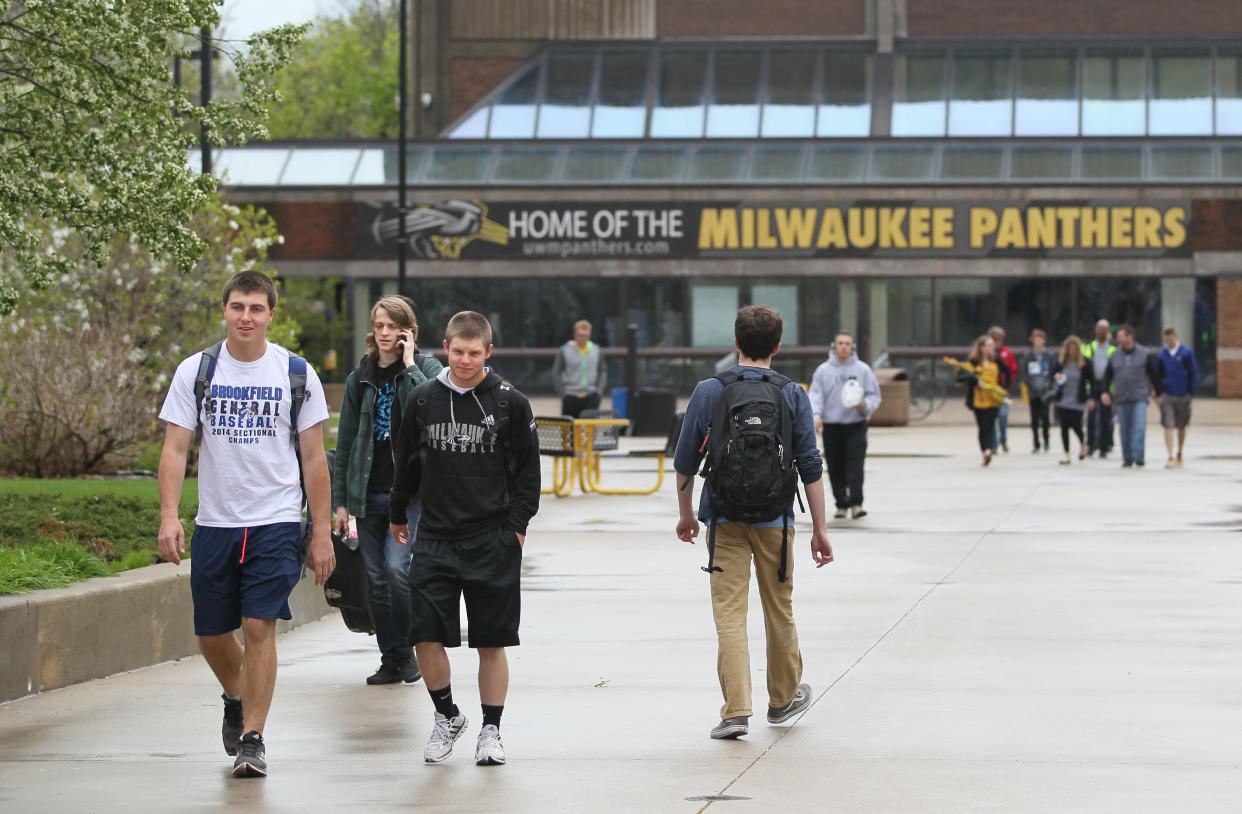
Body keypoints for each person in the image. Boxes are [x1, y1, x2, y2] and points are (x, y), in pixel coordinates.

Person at [156, 271, 334, 778]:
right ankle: (236, 696)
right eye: (238, 307)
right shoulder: (197, 370)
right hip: (216, 522)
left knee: (259, 625)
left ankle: (253, 739)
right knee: (212, 635)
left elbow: (315, 459)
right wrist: (169, 516)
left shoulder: (296, 373)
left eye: (256, 309)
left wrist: (320, 532)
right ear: (225, 310)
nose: (246, 318)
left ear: (271, 315)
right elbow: (174, 449)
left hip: (276, 519)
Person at [673, 305, 834, 742]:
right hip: (776, 519)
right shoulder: (792, 393)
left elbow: (685, 462)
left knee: (729, 614)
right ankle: (782, 700)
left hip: (724, 518)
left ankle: (736, 710)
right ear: (777, 346)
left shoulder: (710, 390)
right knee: (779, 609)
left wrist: (687, 514)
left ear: (736, 343)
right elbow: (810, 466)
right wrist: (820, 529)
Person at [389, 311, 540, 767]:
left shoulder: (511, 404)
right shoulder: (421, 400)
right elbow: (406, 465)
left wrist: (515, 528)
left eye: (474, 353)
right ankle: (447, 715)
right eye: (457, 352)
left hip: (491, 538)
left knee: (491, 642)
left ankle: (491, 730)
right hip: (435, 538)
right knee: (426, 637)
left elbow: (528, 475)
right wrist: (398, 512)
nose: (465, 361)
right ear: (446, 348)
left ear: (488, 353)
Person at [332, 296, 442, 686]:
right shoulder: (358, 378)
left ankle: (413, 648)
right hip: (368, 493)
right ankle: (393, 659)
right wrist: (340, 502)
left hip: (409, 495)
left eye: (392, 326)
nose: (384, 333)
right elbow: (345, 444)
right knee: (375, 578)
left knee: (398, 570)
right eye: (379, 325)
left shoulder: (426, 369)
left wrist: (409, 364)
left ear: (407, 330)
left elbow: (432, 408)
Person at [808, 331, 881, 519]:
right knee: (835, 465)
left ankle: (856, 503)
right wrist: (816, 415)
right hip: (832, 425)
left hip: (856, 424)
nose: (843, 347)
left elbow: (874, 395)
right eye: (840, 343)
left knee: (855, 464)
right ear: (834, 346)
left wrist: (864, 406)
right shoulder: (823, 371)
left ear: (852, 347)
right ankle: (841, 503)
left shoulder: (863, 370)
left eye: (847, 343)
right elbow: (816, 395)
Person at [1101, 325, 1161, 468]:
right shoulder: (1114, 355)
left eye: (1121, 336)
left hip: (1139, 397)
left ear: (1130, 337)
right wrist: (1105, 392)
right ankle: (1127, 458)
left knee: (1139, 427)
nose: (1118, 339)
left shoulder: (1144, 354)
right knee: (1124, 429)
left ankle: (1138, 456)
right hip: (1121, 398)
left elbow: (1153, 375)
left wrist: (1158, 393)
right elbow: (1107, 376)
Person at [958, 335, 1009, 467]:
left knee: (990, 425)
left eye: (992, 345)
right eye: (989, 345)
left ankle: (988, 449)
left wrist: (1004, 388)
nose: (992, 348)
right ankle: (984, 451)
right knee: (982, 426)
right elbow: (960, 376)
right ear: (981, 347)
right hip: (978, 400)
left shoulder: (996, 360)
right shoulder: (973, 361)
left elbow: (1007, 372)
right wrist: (975, 379)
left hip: (993, 399)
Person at [1154, 326, 1198, 468]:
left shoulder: (1186, 353)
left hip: (1183, 395)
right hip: (1167, 395)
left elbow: (1193, 373)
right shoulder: (1162, 355)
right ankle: (1170, 455)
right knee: (1169, 425)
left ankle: (1179, 451)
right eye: (1166, 340)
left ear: (1175, 337)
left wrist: (1191, 392)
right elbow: (1157, 376)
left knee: (1181, 427)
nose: (1168, 342)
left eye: (1170, 339)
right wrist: (1158, 393)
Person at [551, 319, 607, 419]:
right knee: (569, 431)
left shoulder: (596, 350)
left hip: (591, 395)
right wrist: (562, 393)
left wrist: (599, 391)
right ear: (575, 335)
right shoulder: (565, 350)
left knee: (589, 431)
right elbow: (557, 371)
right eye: (580, 335)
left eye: (586, 335)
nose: (583, 338)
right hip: (570, 396)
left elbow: (602, 371)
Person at [1051, 335, 1093, 465]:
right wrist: (1056, 377)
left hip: (1078, 399)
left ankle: (1083, 443)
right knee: (1064, 426)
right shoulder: (1061, 362)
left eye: (1075, 349)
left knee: (1075, 423)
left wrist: (1091, 398)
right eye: (1070, 349)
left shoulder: (1085, 363)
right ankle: (1067, 454)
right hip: (1063, 398)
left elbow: (1092, 381)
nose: (1072, 351)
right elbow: (1052, 376)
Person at [1081, 319, 1116, 458]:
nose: (1101, 331)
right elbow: (1084, 369)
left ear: (1108, 331)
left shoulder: (1113, 349)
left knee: (1106, 418)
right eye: (1099, 329)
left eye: (1104, 329)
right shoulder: (1089, 347)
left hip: (1108, 386)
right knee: (1091, 417)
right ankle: (1091, 445)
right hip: (1093, 385)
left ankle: (1104, 446)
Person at [1020, 329, 1056, 454]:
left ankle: (1046, 440)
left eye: (1040, 339)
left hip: (1045, 391)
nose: (1038, 341)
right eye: (1036, 339)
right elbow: (1024, 373)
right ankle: (1036, 443)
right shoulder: (1028, 356)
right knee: (1034, 419)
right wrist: (1031, 386)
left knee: (1045, 418)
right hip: (1033, 392)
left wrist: (1049, 386)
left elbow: (1053, 372)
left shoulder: (1049, 355)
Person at [988, 325, 1019, 453]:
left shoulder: (1007, 353)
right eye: (994, 339)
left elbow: (1013, 370)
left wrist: (1007, 385)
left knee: (1003, 416)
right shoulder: (987, 355)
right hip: (990, 391)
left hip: (1004, 391)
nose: (997, 342)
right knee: (991, 418)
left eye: (999, 339)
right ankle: (994, 444)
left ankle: (1004, 440)